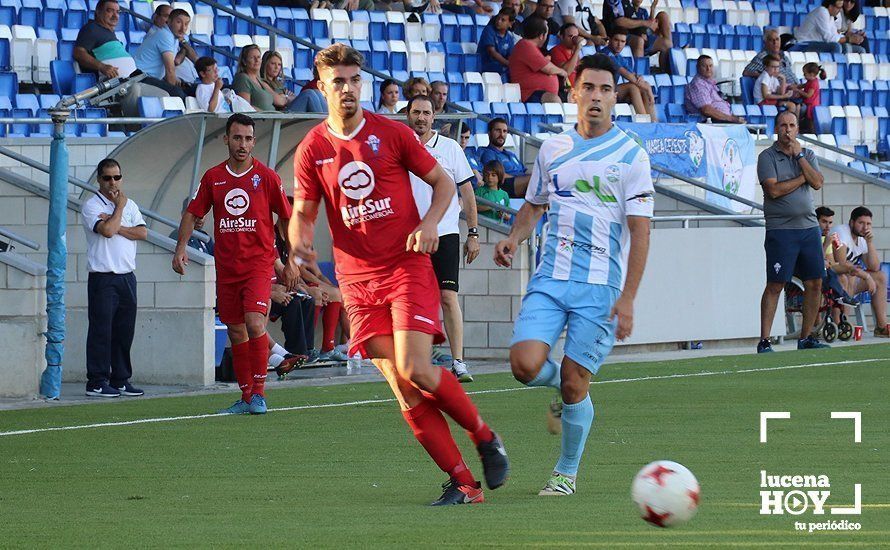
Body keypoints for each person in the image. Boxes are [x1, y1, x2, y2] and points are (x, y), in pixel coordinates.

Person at [285, 44, 508, 506]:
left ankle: (484, 436)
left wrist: (430, 224)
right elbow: (303, 212)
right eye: (338, 81)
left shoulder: (391, 132)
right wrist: (298, 242)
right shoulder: (312, 149)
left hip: (405, 267)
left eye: (354, 80)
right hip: (356, 280)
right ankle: (465, 483)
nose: (347, 89)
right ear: (321, 85)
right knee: (404, 390)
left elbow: (444, 184)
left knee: (416, 368)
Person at [494, 54, 654, 496]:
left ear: (615, 98)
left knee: (571, 381)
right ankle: (570, 395)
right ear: (573, 91)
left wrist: (628, 297)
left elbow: (641, 234)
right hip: (550, 278)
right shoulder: (553, 149)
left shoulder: (632, 157)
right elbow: (534, 205)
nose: (597, 97)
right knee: (523, 365)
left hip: (600, 287)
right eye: (590, 88)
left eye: (606, 89)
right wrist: (515, 237)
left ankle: (565, 472)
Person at [173, 113, 292, 415]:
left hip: (258, 265)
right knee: (236, 331)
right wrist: (181, 248)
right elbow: (192, 212)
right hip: (226, 268)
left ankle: (262, 392)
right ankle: (247, 395)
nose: (243, 144)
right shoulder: (213, 177)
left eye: (248, 138)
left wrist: (291, 260)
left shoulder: (266, 177)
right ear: (226, 139)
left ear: (254, 141)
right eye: (237, 137)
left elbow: (288, 217)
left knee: (254, 323)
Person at [406, 95, 481, 383]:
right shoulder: (402, 146)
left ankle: (459, 361)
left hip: (446, 232)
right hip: (411, 236)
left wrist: (473, 233)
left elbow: (467, 193)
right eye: (416, 112)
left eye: (426, 112)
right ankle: (417, 360)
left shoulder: (449, 148)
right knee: (412, 299)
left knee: (448, 297)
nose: (421, 117)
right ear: (408, 115)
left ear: (434, 117)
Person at [756, 111, 828, 353]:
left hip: (808, 228)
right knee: (776, 283)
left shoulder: (806, 154)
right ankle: (764, 340)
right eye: (783, 125)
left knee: (815, 282)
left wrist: (799, 157)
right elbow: (773, 191)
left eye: (791, 125)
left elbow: (817, 182)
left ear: (798, 129)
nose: (787, 130)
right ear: (776, 128)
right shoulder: (767, 157)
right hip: (781, 230)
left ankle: (806, 337)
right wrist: (801, 178)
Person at [81, 158, 148, 398]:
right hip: (103, 276)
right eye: (107, 178)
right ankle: (97, 380)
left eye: (116, 177)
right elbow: (106, 231)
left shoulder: (130, 205)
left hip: (126, 276)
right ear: (99, 179)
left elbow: (142, 232)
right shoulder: (91, 205)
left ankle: (120, 378)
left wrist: (118, 224)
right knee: (101, 330)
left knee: (124, 330)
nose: (112, 183)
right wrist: (117, 209)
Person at [73, 0, 170, 116]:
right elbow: (78, 53)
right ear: (98, 12)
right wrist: (102, 66)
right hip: (115, 84)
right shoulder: (91, 28)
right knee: (133, 89)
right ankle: (133, 129)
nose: (115, 16)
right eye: (110, 11)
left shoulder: (109, 33)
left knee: (164, 96)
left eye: (117, 12)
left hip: (132, 79)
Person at [829, 207, 890, 337]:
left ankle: (881, 327)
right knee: (847, 276)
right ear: (852, 222)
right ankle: (841, 324)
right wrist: (866, 277)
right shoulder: (840, 232)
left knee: (880, 277)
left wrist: (870, 243)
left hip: (851, 277)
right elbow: (842, 264)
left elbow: (874, 267)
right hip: (832, 280)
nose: (865, 227)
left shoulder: (862, 238)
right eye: (861, 223)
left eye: (868, 224)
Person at [132, 8, 193, 99]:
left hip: (149, 78)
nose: (183, 28)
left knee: (191, 89)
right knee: (178, 94)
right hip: (140, 77)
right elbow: (170, 71)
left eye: (186, 24)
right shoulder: (165, 35)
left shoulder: (173, 37)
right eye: (179, 22)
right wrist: (174, 88)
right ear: (169, 21)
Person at [599, 32, 658, 121]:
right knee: (632, 87)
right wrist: (648, 88)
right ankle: (644, 123)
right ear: (610, 40)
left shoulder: (619, 57)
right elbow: (628, 76)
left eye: (622, 41)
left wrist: (642, 80)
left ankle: (653, 123)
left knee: (642, 90)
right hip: (601, 91)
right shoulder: (606, 54)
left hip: (613, 91)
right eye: (616, 40)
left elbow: (634, 75)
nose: (619, 44)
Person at [509, 16, 568, 104]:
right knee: (553, 100)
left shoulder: (531, 47)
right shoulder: (525, 45)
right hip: (529, 94)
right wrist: (563, 72)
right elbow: (549, 69)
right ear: (541, 36)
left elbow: (546, 65)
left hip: (540, 93)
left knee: (573, 98)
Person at [602, 0, 673, 72]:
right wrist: (645, 24)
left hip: (639, 34)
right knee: (639, 40)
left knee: (666, 43)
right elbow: (619, 21)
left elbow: (641, 23)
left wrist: (645, 29)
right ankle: (639, 75)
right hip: (619, 35)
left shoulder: (637, 8)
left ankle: (667, 75)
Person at [684, 55, 745, 123]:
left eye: (710, 66)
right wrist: (733, 119)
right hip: (712, 124)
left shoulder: (709, 83)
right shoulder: (697, 85)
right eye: (704, 66)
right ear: (698, 68)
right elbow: (706, 110)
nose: (708, 69)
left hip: (723, 121)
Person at [478, 118, 530, 198]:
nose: (501, 134)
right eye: (498, 130)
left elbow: (525, 170)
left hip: (521, 183)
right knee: (533, 180)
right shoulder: (488, 153)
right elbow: (496, 175)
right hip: (505, 185)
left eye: (504, 131)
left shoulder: (510, 154)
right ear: (489, 133)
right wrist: (520, 178)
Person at [793, 0, 865, 53]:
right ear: (830, 6)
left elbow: (835, 35)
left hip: (817, 43)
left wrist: (854, 37)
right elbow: (829, 38)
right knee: (836, 47)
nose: (840, 10)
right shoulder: (822, 11)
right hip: (803, 43)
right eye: (838, 8)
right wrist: (848, 39)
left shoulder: (830, 16)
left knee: (860, 50)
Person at [743, 29, 800, 95]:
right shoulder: (763, 56)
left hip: (795, 87)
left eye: (777, 39)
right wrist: (767, 76)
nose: (775, 43)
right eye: (771, 40)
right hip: (781, 91)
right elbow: (746, 72)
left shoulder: (784, 57)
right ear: (765, 43)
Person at [233, 45, 277, 112]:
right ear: (244, 61)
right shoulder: (242, 78)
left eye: (258, 57)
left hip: (273, 118)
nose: (257, 60)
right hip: (261, 120)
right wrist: (265, 114)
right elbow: (245, 107)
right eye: (252, 58)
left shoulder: (259, 80)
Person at [478, 7, 516, 81]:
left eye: (503, 20)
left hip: (501, 67)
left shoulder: (510, 38)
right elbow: (492, 52)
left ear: (510, 24)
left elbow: (511, 56)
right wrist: (509, 64)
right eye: (498, 18)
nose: (498, 21)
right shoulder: (489, 30)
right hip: (484, 65)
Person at [549, 23, 584, 95]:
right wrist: (577, 50)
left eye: (576, 36)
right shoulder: (556, 50)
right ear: (561, 37)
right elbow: (566, 71)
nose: (574, 39)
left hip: (577, 92)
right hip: (565, 92)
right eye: (570, 36)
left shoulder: (574, 52)